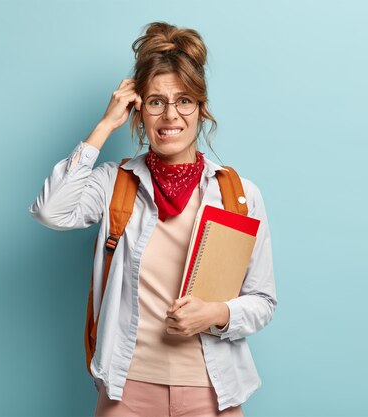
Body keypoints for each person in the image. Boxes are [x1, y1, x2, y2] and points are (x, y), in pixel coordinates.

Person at [29, 21, 277, 417]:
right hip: (127, 391)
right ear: (138, 109)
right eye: (156, 101)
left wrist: (215, 313)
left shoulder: (238, 195)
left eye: (184, 101)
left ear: (200, 109)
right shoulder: (116, 183)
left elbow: (262, 301)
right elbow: (51, 210)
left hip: (211, 391)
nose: (170, 115)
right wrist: (105, 125)